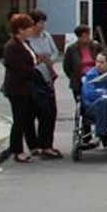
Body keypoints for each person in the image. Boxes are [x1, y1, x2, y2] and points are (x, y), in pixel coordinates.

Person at [1, 14, 40, 163]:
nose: (31, 30)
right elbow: (20, 69)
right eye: (28, 28)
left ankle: (33, 145)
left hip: (28, 87)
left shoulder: (25, 43)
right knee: (20, 119)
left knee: (29, 117)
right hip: (17, 88)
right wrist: (37, 71)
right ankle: (16, 150)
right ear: (20, 30)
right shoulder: (12, 47)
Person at [26, 10, 62, 159]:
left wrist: (49, 59)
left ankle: (47, 144)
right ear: (33, 24)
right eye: (40, 22)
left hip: (48, 78)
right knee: (36, 112)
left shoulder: (45, 36)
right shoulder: (28, 39)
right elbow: (26, 58)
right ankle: (35, 145)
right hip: (34, 79)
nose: (43, 25)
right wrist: (37, 60)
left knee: (50, 113)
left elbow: (55, 52)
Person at [81, 52, 107, 146]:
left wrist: (103, 94)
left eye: (101, 62)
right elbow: (89, 94)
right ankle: (101, 134)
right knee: (103, 101)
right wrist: (106, 94)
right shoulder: (91, 75)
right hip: (92, 107)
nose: (98, 65)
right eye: (97, 62)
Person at [62, 24, 103, 103]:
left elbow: (104, 58)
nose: (86, 39)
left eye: (87, 35)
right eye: (83, 36)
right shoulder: (72, 49)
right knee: (81, 102)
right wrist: (74, 76)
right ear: (78, 37)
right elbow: (66, 66)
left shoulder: (96, 46)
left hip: (95, 77)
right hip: (79, 80)